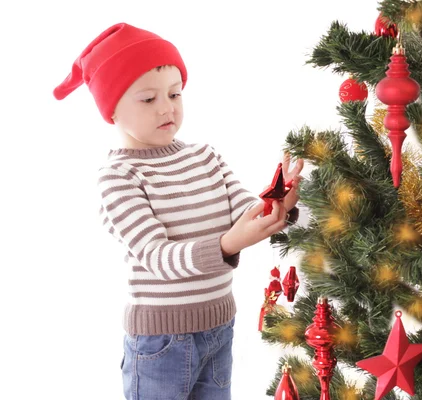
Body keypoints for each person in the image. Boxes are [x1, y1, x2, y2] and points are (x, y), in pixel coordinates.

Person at [53, 22, 304, 400]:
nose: (167, 107)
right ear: (111, 109)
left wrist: (278, 202)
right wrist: (227, 244)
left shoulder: (205, 156)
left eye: (175, 93)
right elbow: (158, 258)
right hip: (161, 344)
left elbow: (244, 209)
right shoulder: (119, 176)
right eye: (148, 99)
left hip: (220, 325)